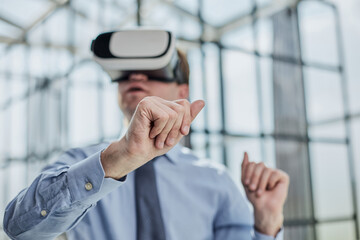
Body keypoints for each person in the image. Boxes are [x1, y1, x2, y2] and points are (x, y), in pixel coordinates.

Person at [3, 29, 289, 240]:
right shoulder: (80, 163)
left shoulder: (215, 180)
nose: (136, 77)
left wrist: (266, 223)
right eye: (126, 71)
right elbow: (18, 227)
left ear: (182, 92)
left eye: (154, 69)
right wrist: (117, 159)